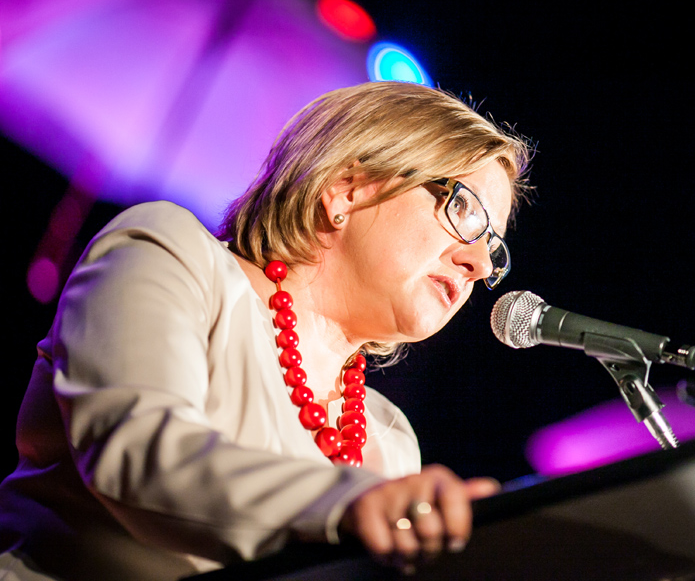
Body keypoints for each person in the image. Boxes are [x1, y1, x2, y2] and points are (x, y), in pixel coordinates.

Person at [0, 81, 531, 580]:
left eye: (494, 247)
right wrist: (348, 503)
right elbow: (137, 454)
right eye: (464, 209)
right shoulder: (168, 252)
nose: (481, 264)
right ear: (346, 189)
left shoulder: (391, 441)